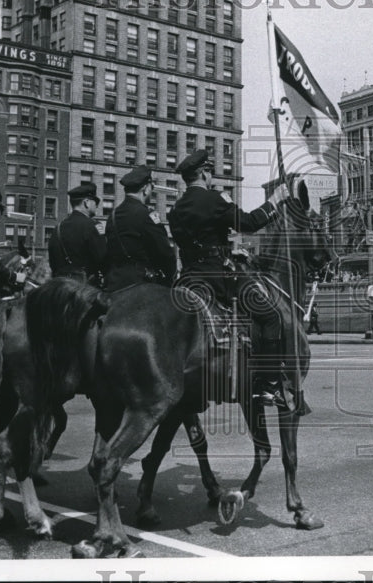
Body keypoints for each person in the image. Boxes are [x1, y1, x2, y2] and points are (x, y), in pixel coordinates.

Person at [167, 150, 290, 405]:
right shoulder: (212, 199)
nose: (210, 176)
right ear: (203, 173)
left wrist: (226, 248)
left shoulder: (176, 208)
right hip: (219, 278)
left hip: (188, 277)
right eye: (210, 172)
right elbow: (249, 223)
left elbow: (197, 242)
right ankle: (268, 385)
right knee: (270, 316)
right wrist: (275, 200)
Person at [103, 165, 175, 292]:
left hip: (114, 285)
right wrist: (170, 277)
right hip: (141, 285)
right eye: (151, 188)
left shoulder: (113, 216)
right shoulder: (146, 215)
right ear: (145, 189)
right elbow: (165, 253)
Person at [49, 182, 107, 286]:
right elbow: (103, 260)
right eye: (95, 202)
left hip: (60, 289)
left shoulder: (57, 228)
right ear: (87, 202)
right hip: (85, 290)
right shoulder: (93, 225)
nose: (97, 206)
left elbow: (52, 263)